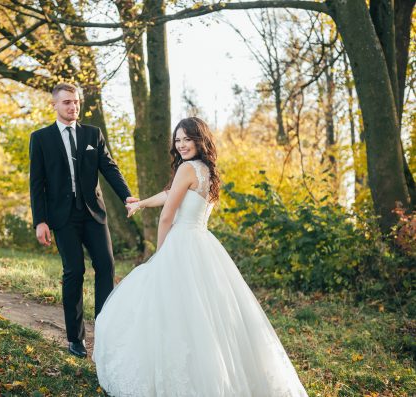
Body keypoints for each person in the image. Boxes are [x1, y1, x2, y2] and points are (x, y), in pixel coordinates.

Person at [93, 117, 308, 396]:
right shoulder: (207, 171)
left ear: (199, 139)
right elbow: (171, 194)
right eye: (177, 140)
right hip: (203, 243)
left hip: (181, 243)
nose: (181, 145)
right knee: (206, 315)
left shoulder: (186, 169)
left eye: (187, 139)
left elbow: (168, 215)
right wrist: (142, 203)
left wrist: (160, 254)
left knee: (171, 311)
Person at [29, 83, 137, 358]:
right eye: (66, 102)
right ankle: (75, 339)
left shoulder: (93, 134)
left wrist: (127, 196)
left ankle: (105, 330)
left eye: (75, 102)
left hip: (93, 214)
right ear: (54, 105)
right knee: (74, 271)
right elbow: (37, 182)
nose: (72, 106)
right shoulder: (40, 138)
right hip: (62, 217)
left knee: (106, 266)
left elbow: (110, 167)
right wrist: (40, 221)